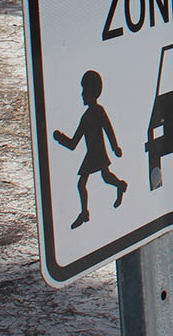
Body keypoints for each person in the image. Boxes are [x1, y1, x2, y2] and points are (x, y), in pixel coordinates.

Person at [53, 70, 128, 228]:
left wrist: (115, 147)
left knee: (103, 177)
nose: (81, 94)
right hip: (91, 154)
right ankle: (85, 212)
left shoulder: (98, 111)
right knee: (87, 182)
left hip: (98, 152)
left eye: (84, 91)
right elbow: (74, 144)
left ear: (91, 92)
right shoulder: (85, 117)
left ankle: (120, 186)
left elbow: (108, 128)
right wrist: (60, 138)